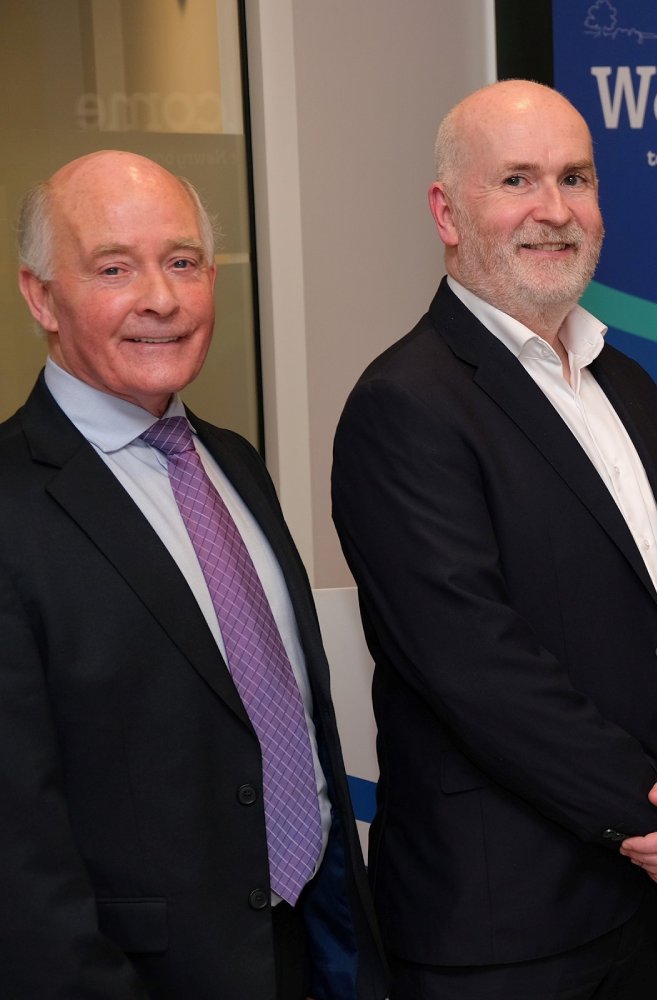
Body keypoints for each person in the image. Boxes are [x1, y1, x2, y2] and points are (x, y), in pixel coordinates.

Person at [330, 80, 657, 999]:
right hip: (496, 921)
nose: (555, 211)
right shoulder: (404, 405)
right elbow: (474, 665)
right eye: (517, 180)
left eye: (576, 178)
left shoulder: (625, 383)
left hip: (624, 902)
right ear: (447, 211)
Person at [0, 151, 385, 999]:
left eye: (182, 263)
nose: (161, 299)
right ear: (40, 297)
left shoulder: (237, 465)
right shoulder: (13, 506)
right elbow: (17, 853)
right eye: (113, 268)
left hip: (314, 952)